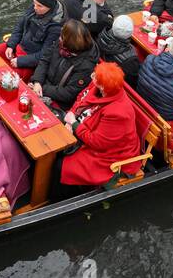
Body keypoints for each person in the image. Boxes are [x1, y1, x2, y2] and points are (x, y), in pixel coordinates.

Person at [58, 62, 143, 191]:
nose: (92, 77)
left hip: (109, 155)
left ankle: (62, 196)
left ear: (103, 87)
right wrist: (72, 114)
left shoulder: (118, 113)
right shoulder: (99, 86)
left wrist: (74, 124)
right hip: (86, 131)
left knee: (61, 165)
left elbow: (98, 142)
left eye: (95, 76)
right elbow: (82, 98)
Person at [0, 0, 63, 80]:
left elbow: (44, 55)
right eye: (34, 4)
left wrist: (20, 61)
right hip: (18, 47)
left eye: (39, 6)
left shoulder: (56, 27)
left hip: (30, 60)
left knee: (10, 79)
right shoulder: (34, 8)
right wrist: (11, 45)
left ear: (49, 7)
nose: (35, 8)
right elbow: (20, 27)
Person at [31, 19, 99, 109]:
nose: (59, 38)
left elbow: (68, 94)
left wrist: (42, 88)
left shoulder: (86, 66)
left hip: (58, 100)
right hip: (43, 85)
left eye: (62, 37)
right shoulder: (62, 43)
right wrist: (37, 81)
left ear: (69, 43)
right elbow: (45, 60)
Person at [95, 14, 141, 85]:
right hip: (116, 83)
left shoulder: (101, 36)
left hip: (103, 71)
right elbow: (133, 81)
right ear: (131, 33)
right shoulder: (130, 59)